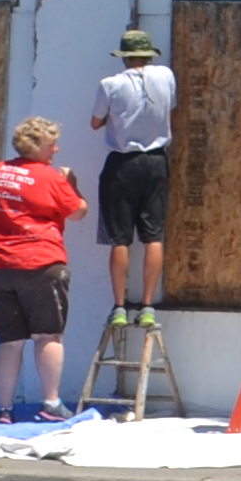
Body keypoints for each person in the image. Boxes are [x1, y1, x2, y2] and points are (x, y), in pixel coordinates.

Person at [0, 116, 90, 421]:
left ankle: (5, 410)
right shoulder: (51, 178)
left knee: (9, 341)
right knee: (48, 336)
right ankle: (51, 404)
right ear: (37, 147)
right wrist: (72, 184)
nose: (57, 149)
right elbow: (78, 213)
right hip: (41, 263)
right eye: (52, 144)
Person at [89, 28, 177, 331]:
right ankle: (148, 304)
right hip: (156, 161)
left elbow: (95, 123)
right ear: (149, 54)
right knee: (153, 235)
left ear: (125, 57)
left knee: (120, 238)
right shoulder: (165, 76)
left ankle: (119, 306)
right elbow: (170, 107)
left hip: (123, 162)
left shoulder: (110, 84)